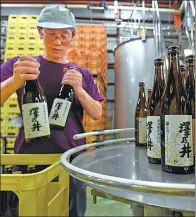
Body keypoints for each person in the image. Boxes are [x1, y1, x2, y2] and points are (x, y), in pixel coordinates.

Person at [0, 4, 104, 217]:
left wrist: (80, 90)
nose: (58, 42)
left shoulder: (81, 74)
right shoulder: (22, 65)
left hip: (71, 160)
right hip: (29, 158)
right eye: (51, 35)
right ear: (40, 32)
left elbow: (96, 112)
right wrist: (14, 80)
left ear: (72, 36)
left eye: (64, 36)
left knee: (71, 212)